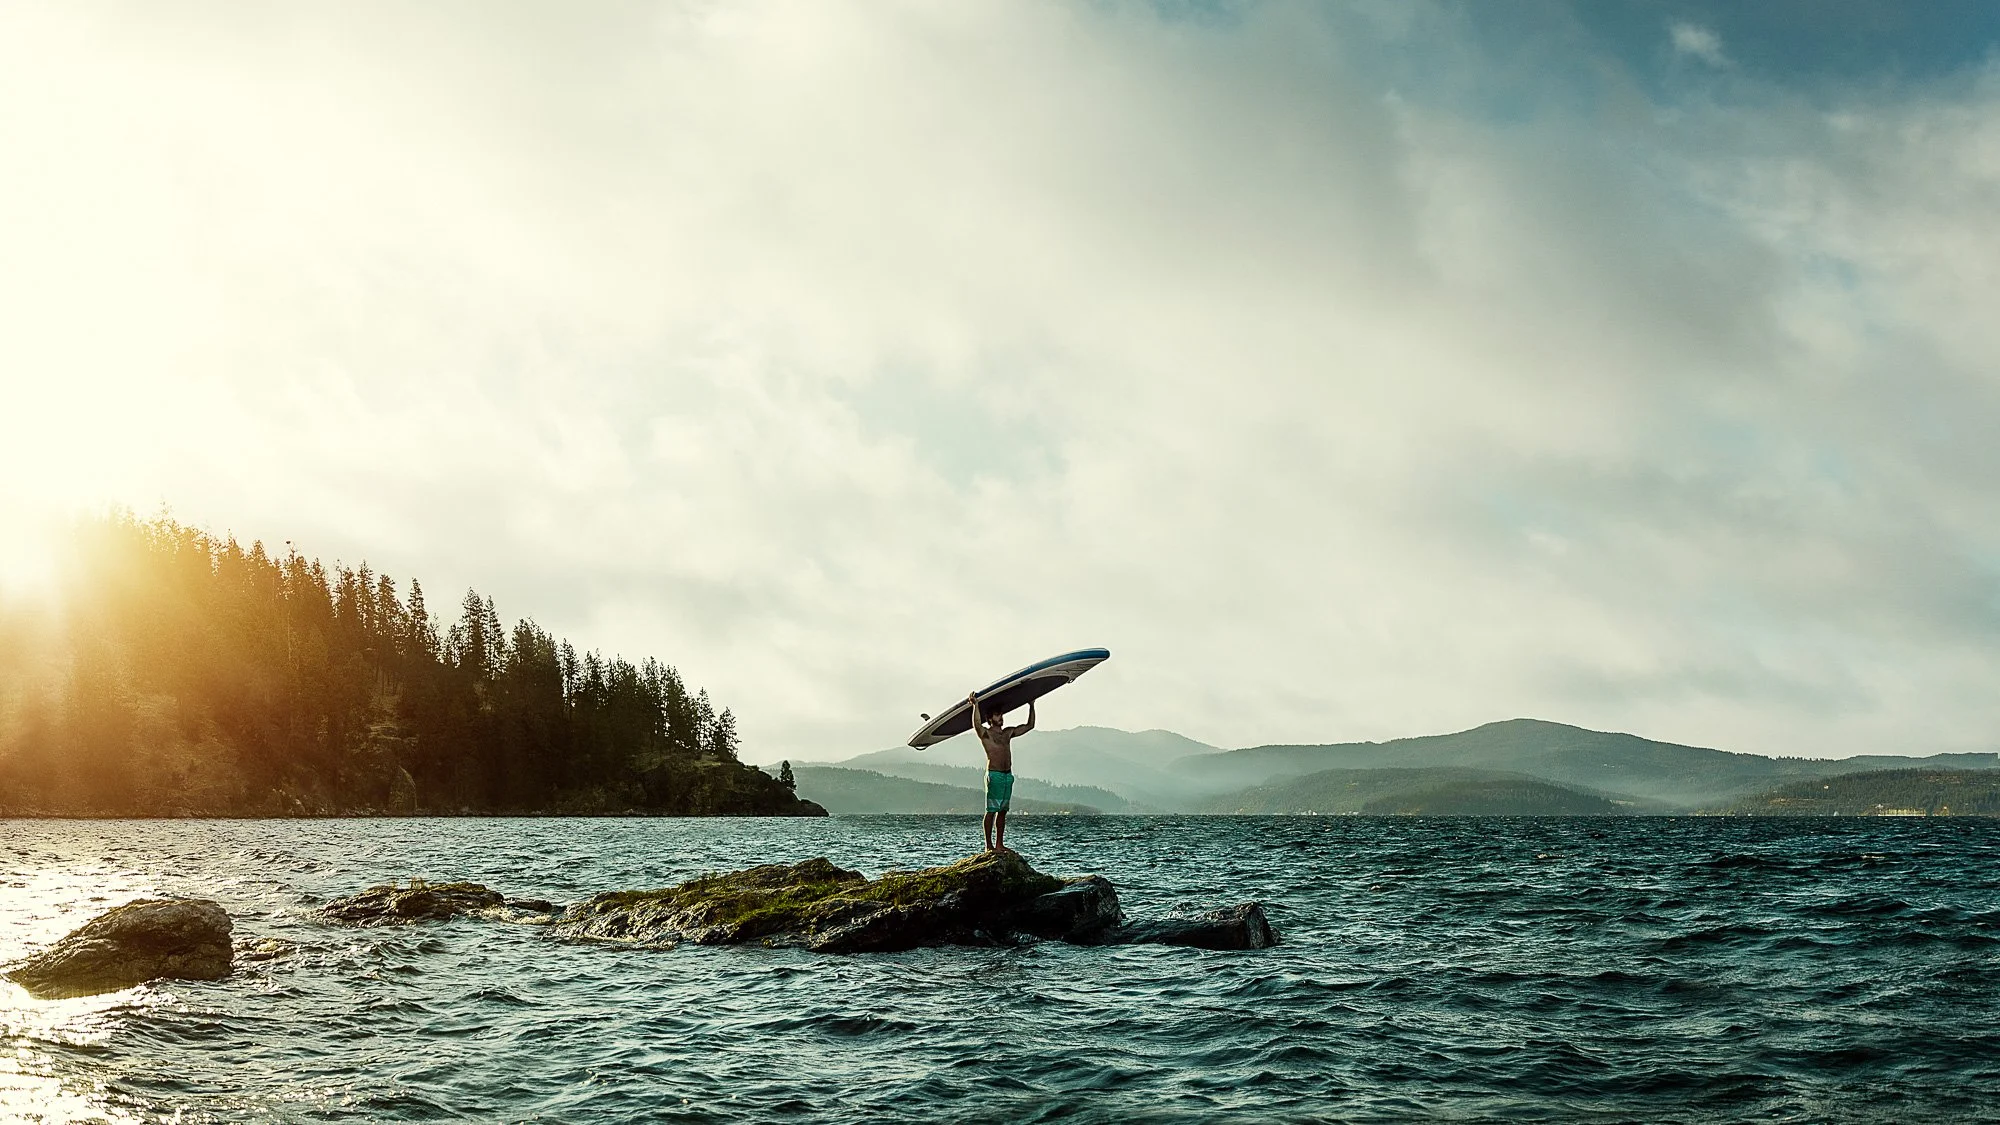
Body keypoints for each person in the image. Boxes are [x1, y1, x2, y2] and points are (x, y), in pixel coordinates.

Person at [970, 692, 1034, 853]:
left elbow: (1029, 726)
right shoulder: (986, 734)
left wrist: (1031, 705)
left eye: (1002, 714)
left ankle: (999, 844)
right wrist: (975, 705)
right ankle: (988, 846)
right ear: (991, 719)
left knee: (1003, 811)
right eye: (998, 715)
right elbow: (977, 725)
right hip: (995, 775)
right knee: (991, 811)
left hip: (1007, 776)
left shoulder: (1008, 733)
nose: (1001, 717)